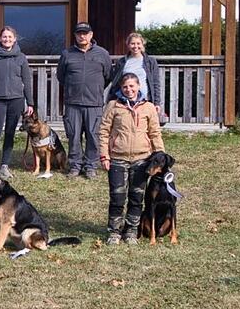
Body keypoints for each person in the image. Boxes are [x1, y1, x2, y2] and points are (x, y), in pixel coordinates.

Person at [99, 73, 165, 245]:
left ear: (138, 86)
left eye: (132, 86)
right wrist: (104, 155)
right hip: (117, 158)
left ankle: (131, 230)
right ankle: (114, 231)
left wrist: (160, 155)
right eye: (125, 87)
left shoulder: (148, 107)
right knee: (117, 197)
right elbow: (104, 132)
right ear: (121, 89)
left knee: (136, 197)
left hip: (141, 159)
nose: (129, 90)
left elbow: (155, 133)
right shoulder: (113, 106)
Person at [57, 23, 112, 179]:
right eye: (79, 33)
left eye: (85, 33)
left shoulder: (102, 54)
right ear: (75, 35)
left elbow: (108, 76)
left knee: (93, 136)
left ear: (91, 35)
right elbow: (61, 76)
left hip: (94, 103)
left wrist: (95, 89)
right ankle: (75, 165)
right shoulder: (67, 54)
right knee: (73, 135)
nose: (82, 36)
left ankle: (90, 166)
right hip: (73, 103)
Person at [0, 26, 34, 179]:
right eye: (4, 37)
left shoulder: (21, 57)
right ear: (0, 38)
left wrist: (30, 102)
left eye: (10, 37)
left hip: (16, 100)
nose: (7, 39)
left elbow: (27, 81)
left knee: (10, 134)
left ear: (15, 39)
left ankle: (4, 166)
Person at [107, 32, 162, 114]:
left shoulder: (150, 62)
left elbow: (155, 83)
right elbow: (116, 82)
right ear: (128, 45)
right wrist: (111, 99)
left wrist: (157, 102)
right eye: (132, 44)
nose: (135, 46)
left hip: (145, 100)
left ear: (142, 44)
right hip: (125, 100)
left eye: (138, 43)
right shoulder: (121, 62)